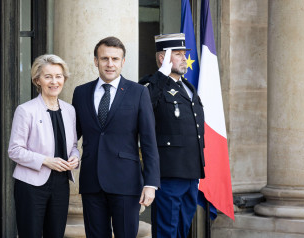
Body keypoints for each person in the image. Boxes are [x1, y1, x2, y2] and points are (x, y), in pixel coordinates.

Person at [72, 36, 160, 238]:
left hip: (126, 182)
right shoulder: (81, 93)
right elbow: (72, 135)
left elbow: (149, 141)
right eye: (104, 59)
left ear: (123, 62)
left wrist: (151, 183)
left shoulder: (138, 93)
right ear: (96, 61)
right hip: (91, 181)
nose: (109, 64)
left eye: (115, 59)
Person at [139, 33, 205, 238]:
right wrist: (161, 75)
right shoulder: (152, 86)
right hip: (168, 174)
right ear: (163, 59)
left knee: (183, 228)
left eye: (184, 54)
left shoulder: (187, 86)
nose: (184, 58)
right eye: (178, 54)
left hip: (191, 172)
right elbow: (142, 107)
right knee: (166, 229)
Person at [8, 54, 80, 238]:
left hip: (61, 184)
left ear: (64, 79)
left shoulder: (70, 110)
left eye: (58, 76)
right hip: (31, 186)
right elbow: (14, 150)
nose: (54, 81)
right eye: (48, 76)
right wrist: (46, 161)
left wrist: (75, 157)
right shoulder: (25, 110)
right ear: (37, 80)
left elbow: (72, 145)